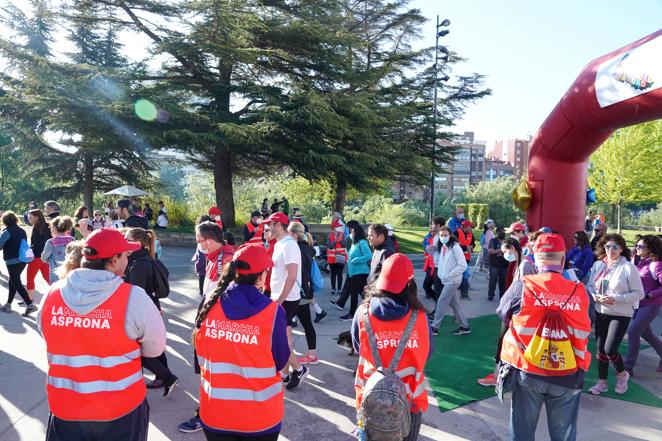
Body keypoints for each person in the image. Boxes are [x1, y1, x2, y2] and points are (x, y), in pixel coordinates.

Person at [37, 228, 165, 441]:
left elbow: (46, 333)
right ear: (114, 260)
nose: (127, 261)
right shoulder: (133, 297)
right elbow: (155, 348)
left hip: (66, 408)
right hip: (120, 410)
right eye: (125, 256)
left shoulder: (51, 293)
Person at [497, 233, 592, 441]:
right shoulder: (581, 292)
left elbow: (503, 313)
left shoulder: (523, 285)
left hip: (528, 371)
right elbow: (589, 320)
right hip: (568, 373)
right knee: (564, 435)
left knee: (521, 432)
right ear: (563, 259)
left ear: (535, 259)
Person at [193, 244, 289, 441]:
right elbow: (280, 362)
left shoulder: (210, 302)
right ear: (262, 276)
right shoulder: (273, 313)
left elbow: (200, 356)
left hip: (215, 413)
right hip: (260, 418)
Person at [351, 253, 433, 441]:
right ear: (410, 283)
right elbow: (428, 352)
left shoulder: (363, 313)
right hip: (410, 402)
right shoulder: (419, 317)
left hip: (371, 401)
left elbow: (358, 348)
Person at [586, 233, 644, 395]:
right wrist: (594, 296)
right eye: (607, 246)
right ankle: (602, 382)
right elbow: (590, 286)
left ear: (621, 249)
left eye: (615, 247)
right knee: (600, 349)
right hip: (601, 310)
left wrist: (615, 299)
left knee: (610, 349)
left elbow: (639, 293)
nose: (611, 250)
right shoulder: (598, 265)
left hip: (621, 313)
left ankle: (622, 374)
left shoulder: (628, 268)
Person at [124, 227, 179, 396]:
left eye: (127, 239)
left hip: (142, 310)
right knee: (152, 345)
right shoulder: (142, 259)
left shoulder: (139, 264)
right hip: (149, 307)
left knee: (141, 348)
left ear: (138, 243)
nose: (124, 242)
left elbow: (136, 292)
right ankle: (164, 376)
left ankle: (166, 377)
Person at [263, 212, 308, 389]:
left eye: (270, 224)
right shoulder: (280, 244)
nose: (267, 227)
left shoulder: (289, 245)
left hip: (286, 299)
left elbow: (291, 276)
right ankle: (285, 371)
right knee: (285, 337)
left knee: (278, 338)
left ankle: (298, 368)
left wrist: (278, 301)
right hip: (281, 297)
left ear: (278, 225)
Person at [624, 235, 662, 375]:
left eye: (641, 246)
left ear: (650, 249)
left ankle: (627, 366)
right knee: (648, 335)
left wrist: (651, 294)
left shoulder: (656, 264)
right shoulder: (638, 261)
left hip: (650, 305)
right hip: (637, 304)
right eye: (636, 245)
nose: (637, 248)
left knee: (633, 332)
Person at [288, 221, 319, 364]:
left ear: (294, 234)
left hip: (296, 291)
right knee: (307, 324)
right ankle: (312, 355)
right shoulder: (308, 248)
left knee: (285, 325)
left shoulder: (295, 249)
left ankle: (287, 356)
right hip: (306, 290)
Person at [430, 226, 470, 335]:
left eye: (445, 235)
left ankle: (434, 327)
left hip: (452, 280)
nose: (443, 237)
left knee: (442, 301)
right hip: (447, 280)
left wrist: (451, 274)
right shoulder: (443, 247)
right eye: (441, 235)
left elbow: (463, 265)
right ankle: (464, 326)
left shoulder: (455, 247)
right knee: (455, 304)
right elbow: (439, 262)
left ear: (450, 235)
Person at [331, 221, 372, 321]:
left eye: (352, 232)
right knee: (363, 293)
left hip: (360, 272)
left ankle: (352, 314)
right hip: (353, 273)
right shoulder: (355, 243)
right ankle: (373, 307)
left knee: (354, 294)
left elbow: (369, 255)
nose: (351, 234)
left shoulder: (362, 242)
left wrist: (355, 260)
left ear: (357, 233)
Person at [0, 211, 38, 315]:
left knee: (16, 282)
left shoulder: (7, 232)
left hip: (12, 261)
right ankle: (8, 304)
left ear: (5, 220)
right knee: (12, 281)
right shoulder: (22, 231)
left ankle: (30, 304)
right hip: (23, 260)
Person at [41, 216, 76, 285]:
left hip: (56, 272)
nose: (50, 229)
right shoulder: (72, 240)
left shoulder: (51, 242)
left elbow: (44, 257)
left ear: (54, 228)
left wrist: (46, 260)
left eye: (51, 227)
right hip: (70, 270)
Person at [26, 209, 52, 299]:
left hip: (36, 257)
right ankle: (61, 295)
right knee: (48, 278)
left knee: (30, 279)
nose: (29, 219)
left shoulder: (37, 228)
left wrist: (29, 251)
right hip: (45, 257)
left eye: (31, 217)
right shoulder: (48, 226)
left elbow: (35, 244)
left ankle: (29, 302)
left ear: (37, 217)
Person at [422, 217, 445, 299]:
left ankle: (438, 308)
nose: (431, 226)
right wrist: (430, 249)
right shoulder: (436, 236)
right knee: (426, 286)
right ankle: (438, 303)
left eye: (432, 224)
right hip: (433, 265)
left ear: (438, 225)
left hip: (439, 266)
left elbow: (445, 247)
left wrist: (434, 248)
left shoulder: (444, 235)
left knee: (438, 289)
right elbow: (434, 250)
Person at [487, 227, 508, 301]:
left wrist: (499, 252)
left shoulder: (507, 241)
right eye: (501, 232)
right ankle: (490, 295)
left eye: (503, 231)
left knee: (503, 281)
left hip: (504, 264)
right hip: (494, 264)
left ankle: (502, 296)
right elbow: (490, 251)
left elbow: (509, 251)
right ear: (497, 233)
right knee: (493, 280)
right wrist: (501, 250)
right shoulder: (493, 241)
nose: (502, 233)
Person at [327, 219, 348, 295]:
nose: (339, 228)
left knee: (339, 274)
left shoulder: (343, 235)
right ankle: (333, 289)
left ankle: (339, 289)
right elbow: (330, 246)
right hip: (332, 258)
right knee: (333, 274)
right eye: (338, 227)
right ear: (333, 228)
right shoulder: (329, 235)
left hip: (341, 257)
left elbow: (344, 245)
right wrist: (335, 240)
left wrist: (341, 238)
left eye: (340, 227)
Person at [192, 216, 211, 297]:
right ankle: (202, 291)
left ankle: (203, 291)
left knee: (206, 272)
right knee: (202, 272)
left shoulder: (210, 231)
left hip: (208, 253)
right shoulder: (199, 231)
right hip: (203, 253)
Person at [457, 220, 475, 299]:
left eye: (470, 227)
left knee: (465, 275)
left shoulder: (471, 234)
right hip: (457, 259)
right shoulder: (456, 233)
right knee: (463, 275)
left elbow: (473, 243)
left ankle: (464, 293)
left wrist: (471, 247)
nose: (470, 228)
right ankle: (463, 293)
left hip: (466, 258)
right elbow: (454, 245)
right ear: (464, 227)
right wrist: (465, 247)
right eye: (469, 227)